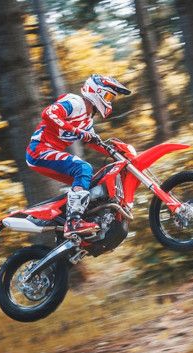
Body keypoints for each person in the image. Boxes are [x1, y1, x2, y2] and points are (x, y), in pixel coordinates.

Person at [26, 74, 131, 238]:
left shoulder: (87, 121)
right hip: (39, 149)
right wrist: (76, 131)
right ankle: (73, 222)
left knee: (90, 182)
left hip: (48, 152)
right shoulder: (75, 103)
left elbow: (94, 142)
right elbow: (48, 113)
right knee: (83, 168)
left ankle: (70, 223)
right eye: (108, 96)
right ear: (96, 91)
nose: (109, 101)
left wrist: (120, 153)